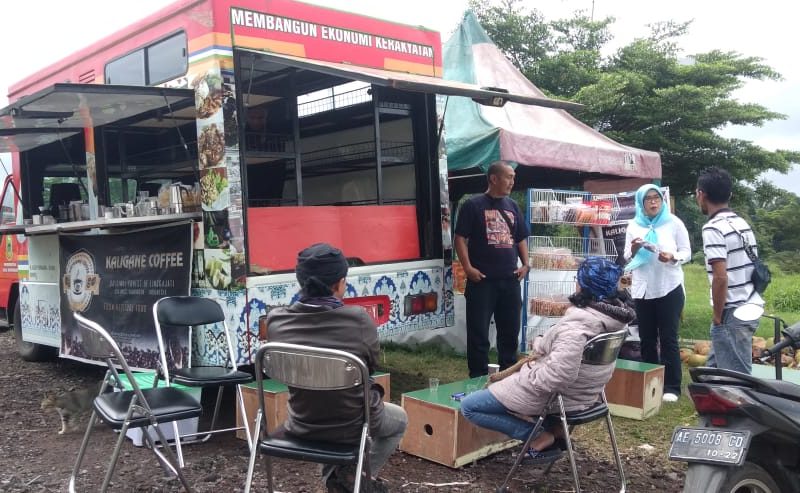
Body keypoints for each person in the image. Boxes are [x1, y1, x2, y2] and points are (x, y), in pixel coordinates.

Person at [459, 257, 635, 463]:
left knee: (470, 406)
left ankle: (539, 435)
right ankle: (557, 430)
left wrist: (527, 374)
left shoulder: (577, 327)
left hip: (558, 397)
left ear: (585, 286)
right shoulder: (612, 320)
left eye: (578, 279)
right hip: (587, 394)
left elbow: (556, 377)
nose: (576, 283)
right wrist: (544, 344)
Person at [266, 243, 407, 493]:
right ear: (340, 283)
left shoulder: (277, 320)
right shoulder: (358, 320)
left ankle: (343, 479)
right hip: (352, 423)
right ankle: (353, 478)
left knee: (324, 402)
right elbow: (371, 365)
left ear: (301, 281)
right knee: (399, 420)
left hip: (303, 421)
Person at [454, 160, 530, 377]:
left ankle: (508, 374)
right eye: (509, 177)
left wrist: (525, 264)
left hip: (510, 280)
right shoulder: (473, 205)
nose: (512, 182)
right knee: (478, 332)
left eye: (514, 177)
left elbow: (521, 238)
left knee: (510, 331)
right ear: (494, 178)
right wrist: (467, 268)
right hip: (482, 281)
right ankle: (477, 376)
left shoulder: (513, 206)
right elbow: (460, 239)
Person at [623, 184, 691, 402]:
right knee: (646, 338)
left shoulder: (673, 222)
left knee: (669, 338)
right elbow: (627, 255)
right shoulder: (634, 225)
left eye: (656, 198)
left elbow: (687, 252)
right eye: (648, 199)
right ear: (641, 203)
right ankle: (651, 383)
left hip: (669, 285)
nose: (653, 202)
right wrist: (635, 249)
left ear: (662, 201)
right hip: (643, 288)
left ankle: (672, 387)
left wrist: (672, 257)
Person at [696, 167, 763, 374]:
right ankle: (705, 407)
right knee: (713, 372)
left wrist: (717, 317)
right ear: (729, 195)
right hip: (750, 303)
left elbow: (720, 277)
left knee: (736, 381)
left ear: (701, 194)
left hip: (732, 311)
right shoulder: (741, 223)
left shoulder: (713, 228)